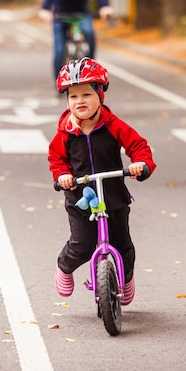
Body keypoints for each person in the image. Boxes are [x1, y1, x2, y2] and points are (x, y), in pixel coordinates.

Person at [48, 58, 156, 306]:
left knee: (123, 245)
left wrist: (141, 164)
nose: (80, 101)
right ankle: (64, 266)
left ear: (100, 96)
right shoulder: (66, 132)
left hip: (113, 196)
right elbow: (56, 158)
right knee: (82, 245)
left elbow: (139, 146)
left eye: (87, 94)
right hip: (80, 199)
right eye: (73, 96)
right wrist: (62, 175)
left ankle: (126, 278)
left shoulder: (114, 126)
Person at [38, 0, 114, 81]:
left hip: (81, 13)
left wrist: (104, 6)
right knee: (59, 50)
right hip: (61, 15)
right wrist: (45, 9)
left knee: (89, 33)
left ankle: (91, 69)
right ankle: (58, 81)